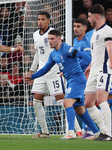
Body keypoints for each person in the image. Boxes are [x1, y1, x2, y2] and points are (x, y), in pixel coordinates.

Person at [25, 29, 100, 140]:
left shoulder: (67, 49)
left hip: (77, 79)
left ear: (59, 39)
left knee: (67, 102)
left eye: (52, 39)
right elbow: (45, 69)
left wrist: (91, 66)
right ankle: (96, 132)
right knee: (79, 109)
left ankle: (70, 132)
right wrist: (32, 76)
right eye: (48, 39)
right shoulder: (53, 54)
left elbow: (83, 55)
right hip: (70, 81)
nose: (49, 41)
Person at [29, 11, 82, 139]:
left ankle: (77, 130)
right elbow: (38, 52)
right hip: (41, 72)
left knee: (63, 102)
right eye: (38, 19)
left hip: (54, 73)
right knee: (36, 101)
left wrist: (65, 66)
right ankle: (44, 132)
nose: (40, 21)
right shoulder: (35, 34)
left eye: (42, 19)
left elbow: (64, 49)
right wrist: (32, 69)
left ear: (49, 21)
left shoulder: (55, 33)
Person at [84, 4, 112, 141]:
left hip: (104, 70)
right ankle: (103, 131)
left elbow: (110, 47)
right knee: (88, 103)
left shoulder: (107, 31)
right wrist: (90, 66)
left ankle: (110, 133)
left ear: (96, 16)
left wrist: (111, 63)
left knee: (101, 99)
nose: (88, 20)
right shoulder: (94, 32)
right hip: (94, 70)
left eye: (89, 17)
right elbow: (97, 53)